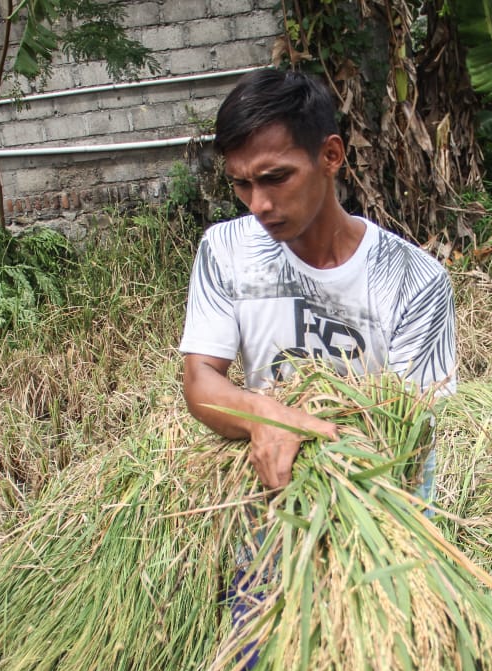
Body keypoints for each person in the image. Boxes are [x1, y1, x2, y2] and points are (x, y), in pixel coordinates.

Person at [179, 68, 457, 489]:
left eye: (276, 178)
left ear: (330, 156)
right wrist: (265, 416)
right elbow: (201, 378)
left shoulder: (414, 281)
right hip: (272, 498)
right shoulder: (226, 250)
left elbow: (412, 432)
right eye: (241, 184)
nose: (258, 204)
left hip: (379, 497)